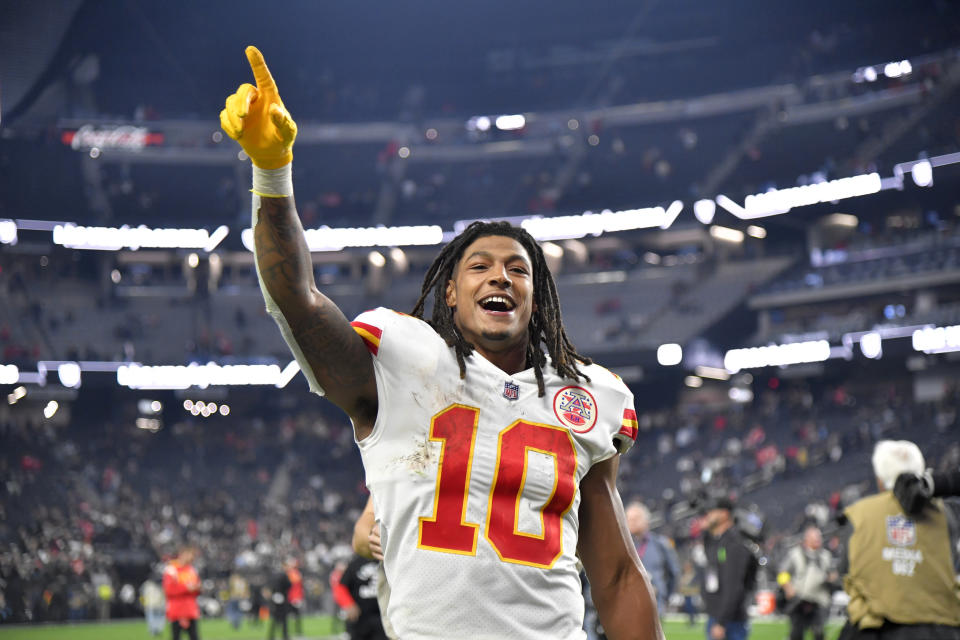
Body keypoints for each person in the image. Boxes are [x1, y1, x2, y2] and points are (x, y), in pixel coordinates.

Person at [220, 46, 663, 640]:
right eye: (479, 266)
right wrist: (272, 172)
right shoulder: (404, 359)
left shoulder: (588, 395)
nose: (500, 276)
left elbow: (615, 579)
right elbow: (296, 298)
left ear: (538, 298)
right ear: (450, 294)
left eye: (518, 269)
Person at [837, 440, 960, 639]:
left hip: (878, 628)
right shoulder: (946, 515)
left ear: (879, 479)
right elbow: (953, 564)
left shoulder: (859, 514)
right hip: (939, 628)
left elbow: (845, 570)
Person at [700, 496, 758, 640]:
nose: (708, 515)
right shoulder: (718, 541)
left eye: (712, 511)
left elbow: (734, 586)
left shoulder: (735, 544)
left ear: (724, 514)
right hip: (717, 615)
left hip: (730, 621)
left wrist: (721, 622)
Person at [777, 525, 837, 640]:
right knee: (796, 633)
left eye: (818, 538)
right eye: (815, 538)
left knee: (818, 632)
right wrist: (788, 588)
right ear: (807, 539)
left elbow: (832, 575)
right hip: (799, 600)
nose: (818, 541)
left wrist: (832, 580)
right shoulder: (795, 554)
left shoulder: (825, 556)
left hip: (819, 601)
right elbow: (782, 573)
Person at [625, 501, 681, 615]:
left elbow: (674, 573)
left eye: (636, 518)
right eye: (629, 519)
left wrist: (665, 596)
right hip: (627, 604)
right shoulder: (621, 546)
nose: (632, 522)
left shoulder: (661, 544)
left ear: (646, 521)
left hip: (655, 605)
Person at [340, 553, 390, 640]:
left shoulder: (386, 561)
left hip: (383, 617)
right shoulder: (355, 563)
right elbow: (341, 587)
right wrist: (348, 604)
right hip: (360, 618)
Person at [162, 547, 201, 640]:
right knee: (176, 637)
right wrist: (187, 588)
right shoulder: (171, 570)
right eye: (190, 554)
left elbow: (197, 588)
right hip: (177, 610)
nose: (192, 557)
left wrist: (197, 588)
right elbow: (169, 590)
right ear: (182, 554)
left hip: (190, 610)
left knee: (194, 637)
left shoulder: (192, 570)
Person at [267, 566, 292, 640]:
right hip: (282, 598)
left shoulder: (272, 576)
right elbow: (289, 585)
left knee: (274, 618)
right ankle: (285, 635)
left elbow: (269, 586)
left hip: (274, 598)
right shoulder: (284, 575)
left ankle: (271, 635)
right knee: (284, 618)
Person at [284, 558, 304, 636]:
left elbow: (296, 587)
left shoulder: (294, 573)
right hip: (291, 597)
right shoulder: (292, 573)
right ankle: (293, 632)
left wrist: (298, 597)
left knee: (296, 616)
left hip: (294, 597)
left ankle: (297, 631)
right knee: (291, 616)